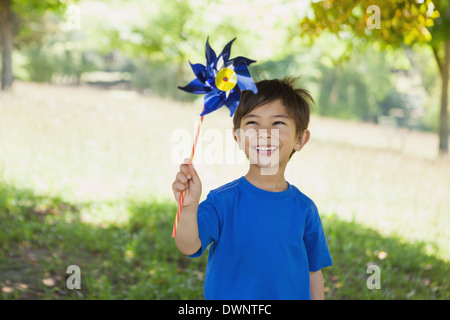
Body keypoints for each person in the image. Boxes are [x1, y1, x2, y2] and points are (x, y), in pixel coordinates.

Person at [172, 77, 332, 300]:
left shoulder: (305, 209)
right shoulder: (222, 201)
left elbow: (313, 271)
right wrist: (188, 207)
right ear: (238, 137)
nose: (264, 132)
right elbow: (189, 246)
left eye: (278, 123)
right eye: (253, 123)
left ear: (300, 139)